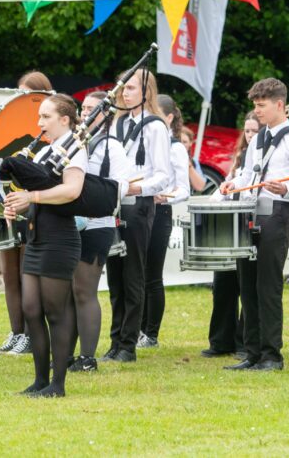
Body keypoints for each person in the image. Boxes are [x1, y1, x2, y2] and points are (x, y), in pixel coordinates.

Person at [219, 78, 289, 372]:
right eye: (255, 106)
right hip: (250, 213)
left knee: (268, 285)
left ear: (279, 105)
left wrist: (286, 190)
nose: (257, 111)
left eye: (261, 106)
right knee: (246, 284)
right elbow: (249, 175)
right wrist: (232, 185)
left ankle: (272, 354)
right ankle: (252, 352)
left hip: (277, 214)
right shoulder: (257, 139)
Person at [3, 94, 88, 397]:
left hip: (60, 240)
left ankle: (58, 384)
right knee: (31, 310)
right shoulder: (43, 153)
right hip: (36, 238)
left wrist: (32, 198)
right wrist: (17, 205)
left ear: (64, 120)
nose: (40, 123)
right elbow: (31, 195)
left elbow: (71, 190)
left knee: (55, 312)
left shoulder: (75, 150)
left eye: (46, 117)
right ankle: (40, 380)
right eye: (40, 117)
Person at [103, 69, 170, 363]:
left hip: (138, 205)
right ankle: (115, 340)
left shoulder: (155, 127)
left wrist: (135, 187)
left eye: (130, 88)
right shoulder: (117, 124)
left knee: (133, 274)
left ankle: (128, 344)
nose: (124, 93)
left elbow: (163, 176)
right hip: (114, 204)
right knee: (114, 276)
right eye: (123, 88)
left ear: (146, 92)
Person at [0, 71, 53, 356]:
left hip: (33, 209)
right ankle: (16, 331)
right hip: (10, 207)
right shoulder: (9, 128)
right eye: (18, 94)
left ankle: (31, 333)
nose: (21, 100)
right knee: (10, 273)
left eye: (27, 95)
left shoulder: (51, 135)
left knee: (29, 274)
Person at [68, 92, 130, 372]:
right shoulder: (77, 143)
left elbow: (120, 186)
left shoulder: (111, 147)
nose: (85, 114)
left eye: (92, 109)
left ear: (107, 114)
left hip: (98, 224)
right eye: (83, 108)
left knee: (84, 291)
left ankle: (87, 358)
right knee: (69, 292)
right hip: (72, 224)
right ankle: (66, 353)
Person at [200, 112, 257, 358]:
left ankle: (245, 342)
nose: (251, 135)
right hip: (230, 224)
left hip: (251, 222)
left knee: (248, 285)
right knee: (223, 283)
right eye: (248, 131)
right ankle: (221, 341)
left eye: (255, 131)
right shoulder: (240, 158)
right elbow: (225, 188)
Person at [137, 95, 190, 349]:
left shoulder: (175, 147)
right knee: (136, 272)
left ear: (168, 118)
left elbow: (184, 189)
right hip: (139, 209)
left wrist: (164, 196)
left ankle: (151, 333)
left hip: (160, 212)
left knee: (152, 275)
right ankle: (136, 328)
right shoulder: (145, 140)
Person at [178, 126, 207, 192]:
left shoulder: (193, 161)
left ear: (190, 143)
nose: (181, 145)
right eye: (179, 141)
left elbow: (200, 187)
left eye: (184, 142)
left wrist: (189, 166)